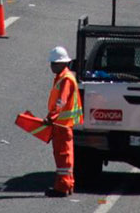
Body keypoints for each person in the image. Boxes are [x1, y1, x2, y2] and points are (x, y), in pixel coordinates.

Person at [43, 46, 83, 197]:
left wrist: (50, 118)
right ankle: (68, 184)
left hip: (62, 125)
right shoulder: (63, 77)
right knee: (65, 157)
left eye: (54, 63)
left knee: (63, 157)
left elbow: (61, 102)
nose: (51, 66)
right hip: (63, 125)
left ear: (61, 63)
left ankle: (62, 187)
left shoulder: (65, 79)